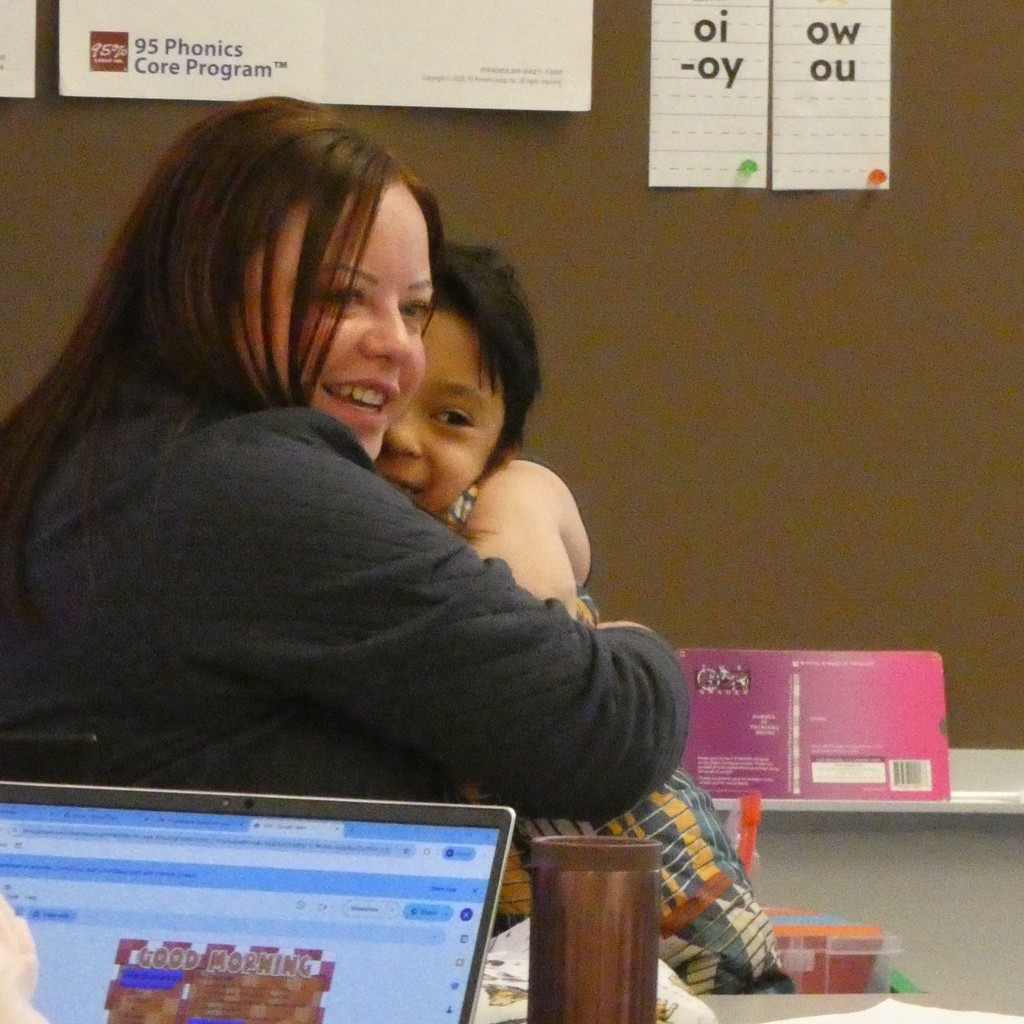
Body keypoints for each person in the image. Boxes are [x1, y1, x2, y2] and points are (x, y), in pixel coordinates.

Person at [0, 96, 688, 821]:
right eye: (342, 297)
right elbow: (606, 732)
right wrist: (618, 633)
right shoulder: (248, 489)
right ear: (205, 283)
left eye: (413, 308)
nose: (397, 344)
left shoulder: (76, 457)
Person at [377, 242, 793, 994]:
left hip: (679, 925)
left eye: (451, 417)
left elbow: (536, 623)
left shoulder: (510, 497)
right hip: (520, 955)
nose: (406, 439)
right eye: (386, 400)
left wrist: (513, 513)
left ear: (500, 445)